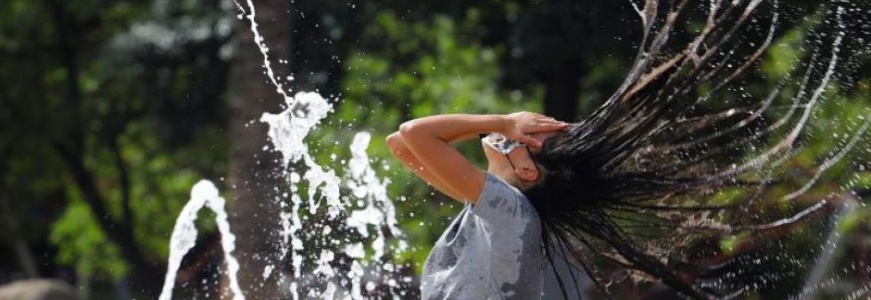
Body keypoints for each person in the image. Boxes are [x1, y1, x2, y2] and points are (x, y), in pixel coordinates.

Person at [386, 112, 569, 299]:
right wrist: (496, 127)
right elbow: (400, 143)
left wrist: (503, 123)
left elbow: (414, 132)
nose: (514, 132)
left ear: (526, 170)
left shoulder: (511, 210)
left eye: (525, 136)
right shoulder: (495, 210)